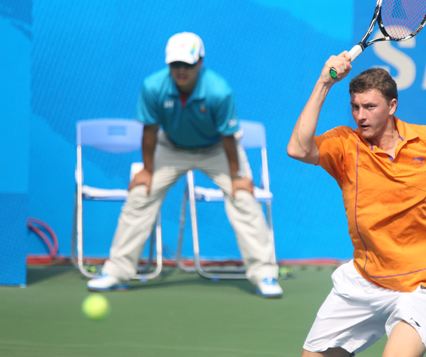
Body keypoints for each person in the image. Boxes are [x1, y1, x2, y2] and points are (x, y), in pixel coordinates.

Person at [287, 52, 426, 356]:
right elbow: (297, 149)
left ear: (392, 106)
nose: (360, 116)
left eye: (370, 107)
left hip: (421, 285)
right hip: (364, 281)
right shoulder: (345, 145)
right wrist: (324, 83)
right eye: (355, 107)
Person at [87, 32, 282, 298]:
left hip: (218, 149)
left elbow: (228, 137)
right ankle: (116, 272)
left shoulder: (219, 91)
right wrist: (147, 170)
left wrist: (237, 176)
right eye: (175, 64)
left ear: (200, 62)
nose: (181, 70)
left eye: (187, 64)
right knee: (140, 194)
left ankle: (265, 275)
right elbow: (149, 131)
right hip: (171, 147)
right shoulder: (153, 87)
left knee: (244, 198)